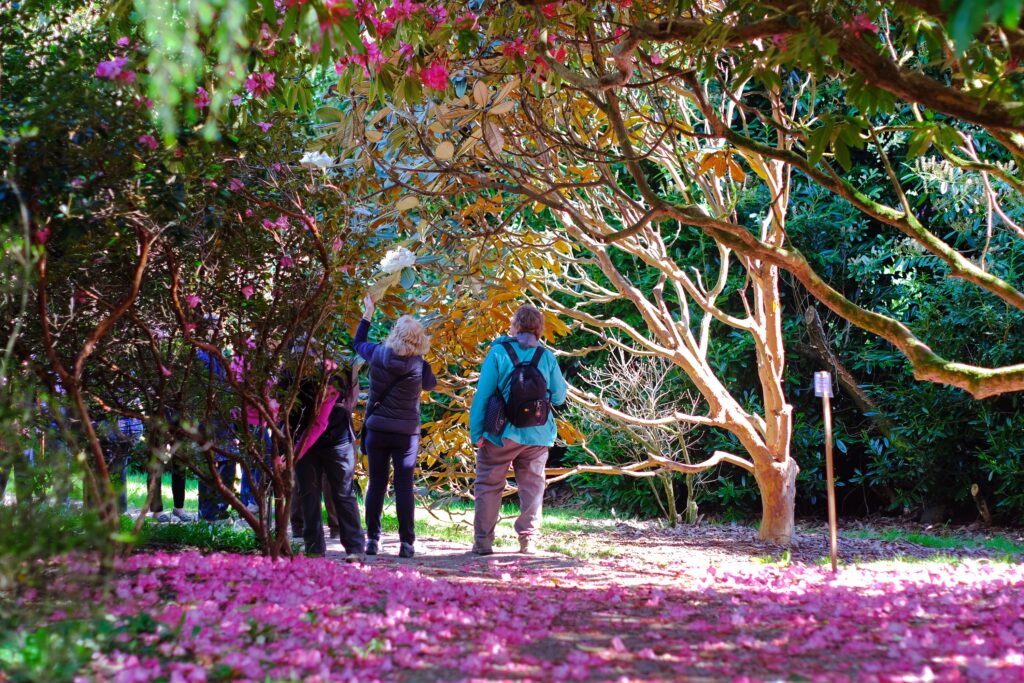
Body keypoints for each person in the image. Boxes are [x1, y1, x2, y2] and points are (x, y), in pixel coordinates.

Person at [468, 304, 568, 555]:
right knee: (533, 486)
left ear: (514, 327)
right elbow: (559, 397)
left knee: (489, 485)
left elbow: (483, 395)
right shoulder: (546, 356)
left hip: (500, 433)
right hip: (538, 434)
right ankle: (528, 541)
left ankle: (483, 543)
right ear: (539, 330)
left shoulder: (498, 353)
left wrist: (476, 432)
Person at [354, 294, 436, 559]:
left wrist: (368, 313)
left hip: (377, 430)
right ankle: (406, 543)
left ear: (395, 333)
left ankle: (372, 540)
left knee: (376, 484)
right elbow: (431, 385)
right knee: (404, 486)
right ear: (418, 339)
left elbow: (358, 343)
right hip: (406, 434)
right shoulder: (420, 366)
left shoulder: (377, 353)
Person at [292, 362, 366, 560]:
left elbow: (320, 422)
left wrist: (294, 452)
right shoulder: (291, 373)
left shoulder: (335, 371)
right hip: (305, 438)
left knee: (342, 492)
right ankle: (314, 548)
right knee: (309, 492)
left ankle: (355, 548)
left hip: (336, 438)